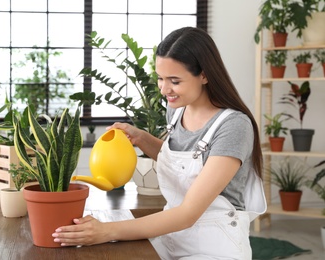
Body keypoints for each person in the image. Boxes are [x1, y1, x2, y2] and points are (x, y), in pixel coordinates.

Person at [52, 27, 266, 259]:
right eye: (160, 78)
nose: (164, 90)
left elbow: (188, 214)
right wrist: (141, 138)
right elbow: (179, 161)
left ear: (204, 75)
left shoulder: (234, 126)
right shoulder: (176, 112)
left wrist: (106, 231)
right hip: (171, 236)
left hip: (214, 246)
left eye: (174, 81)